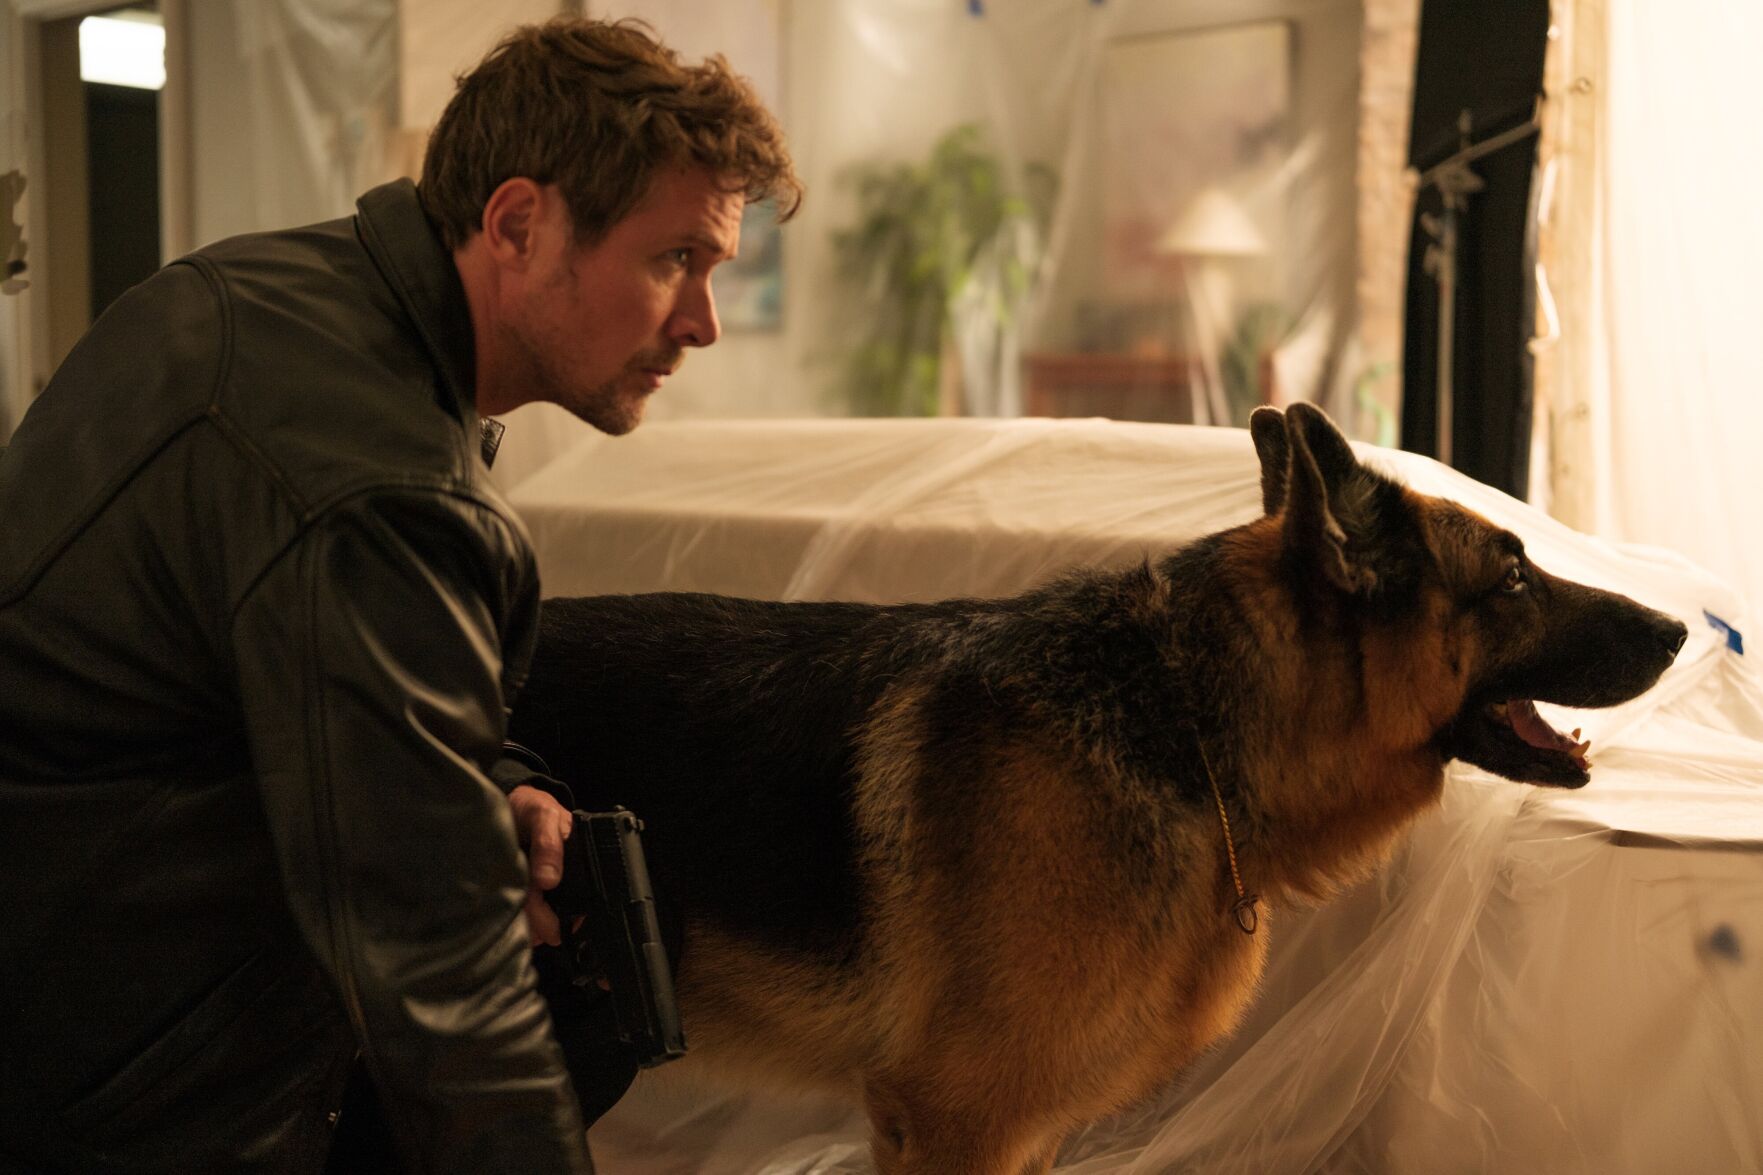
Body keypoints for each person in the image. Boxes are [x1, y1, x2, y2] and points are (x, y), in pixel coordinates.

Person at [0, 17, 801, 1173]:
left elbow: (237, 680)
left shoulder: (269, 295)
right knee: (563, 987)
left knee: (607, 926)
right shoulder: (377, 480)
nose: (703, 322)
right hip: (124, 1074)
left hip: (81, 946)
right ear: (517, 224)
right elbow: (440, 974)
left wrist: (488, 785)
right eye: (673, 257)